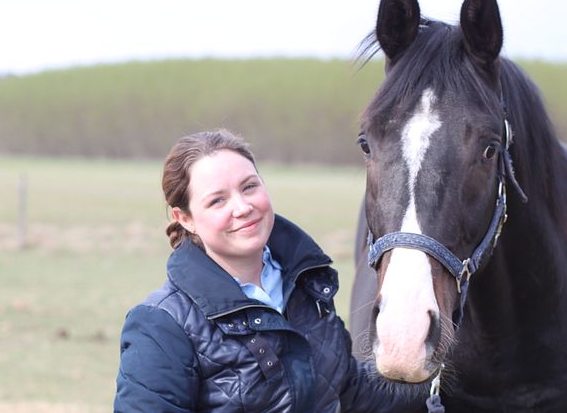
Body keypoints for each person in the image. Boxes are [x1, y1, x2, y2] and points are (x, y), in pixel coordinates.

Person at [114, 129, 421, 412]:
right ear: (185, 218)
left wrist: (445, 388)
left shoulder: (306, 287)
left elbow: (348, 388)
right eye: (218, 200)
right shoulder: (160, 325)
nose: (242, 206)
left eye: (249, 187)